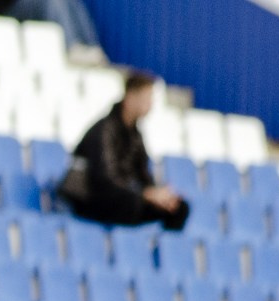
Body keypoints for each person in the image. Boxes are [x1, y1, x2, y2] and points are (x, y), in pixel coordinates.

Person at [62, 71, 190, 232]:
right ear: (130, 97)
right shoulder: (103, 130)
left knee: (178, 208)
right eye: (146, 99)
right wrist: (144, 194)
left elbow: (142, 173)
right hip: (90, 199)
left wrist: (159, 195)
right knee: (133, 202)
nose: (150, 105)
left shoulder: (134, 135)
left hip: (121, 196)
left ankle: (164, 253)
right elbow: (103, 180)